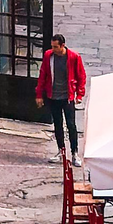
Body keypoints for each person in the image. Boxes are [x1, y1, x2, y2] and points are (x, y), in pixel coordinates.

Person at [36, 33, 86, 165]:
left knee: (71, 125)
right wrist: (39, 94)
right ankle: (61, 151)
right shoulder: (49, 56)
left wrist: (79, 95)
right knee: (57, 124)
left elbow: (81, 76)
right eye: (52, 47)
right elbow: (43, 75)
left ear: (62, 46)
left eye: (56, 47)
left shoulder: (74, 57)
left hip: (67, 96)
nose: (53, 49)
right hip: (53, 96)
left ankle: (74, 153)